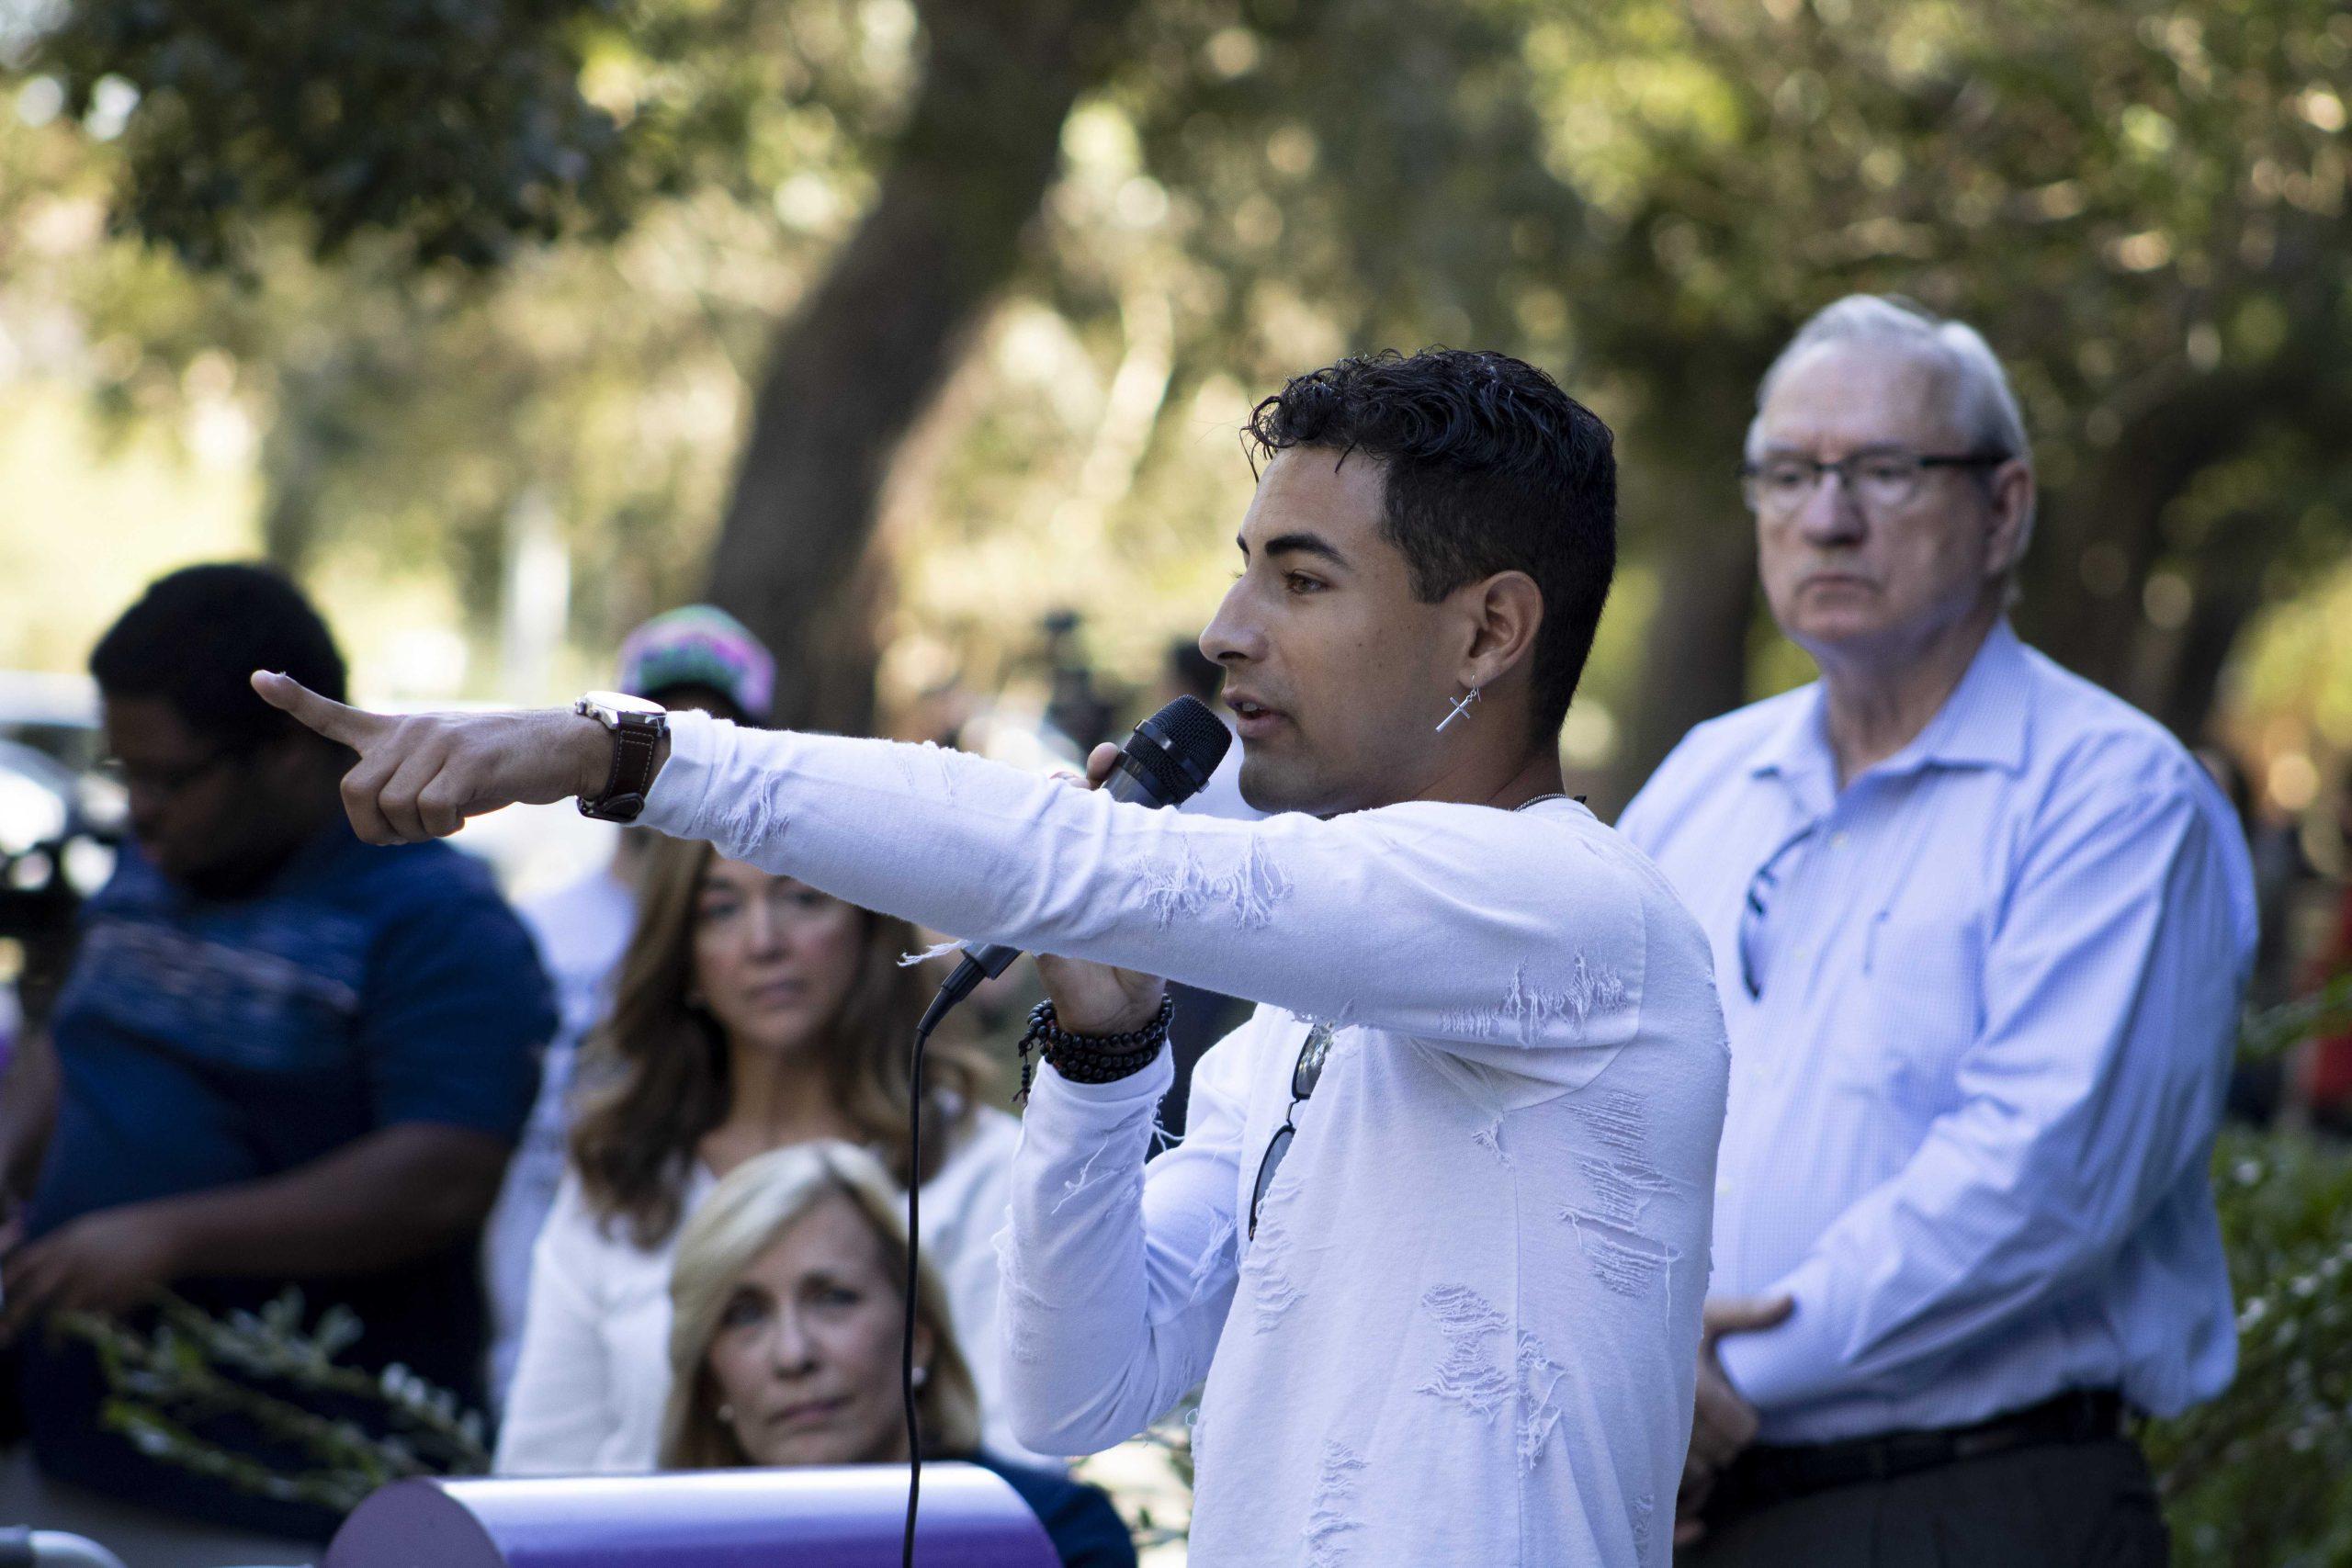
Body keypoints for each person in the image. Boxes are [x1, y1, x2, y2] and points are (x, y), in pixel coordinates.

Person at [254, 344, 1734, 1566]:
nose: (1224, 632)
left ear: (1489, 631)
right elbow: (1075, 1385)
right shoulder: (1305, 1015)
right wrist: (1098, 1058)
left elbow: (1065, 855)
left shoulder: (1568, 906)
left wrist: (609, 749)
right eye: (1244, 573)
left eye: (1300, 580)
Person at [1615, 296, 2257, 1565]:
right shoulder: (1702, 778)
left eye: (1886, 471)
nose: (1827, 515)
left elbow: (2039, 1180)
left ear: (2005, 507)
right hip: (1683, 1504)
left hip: (1969, 1503)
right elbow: (1590, 1084)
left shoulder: (2112, 794)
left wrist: (1706, 1377)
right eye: (1790, 473)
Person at [0, 564, 553, 1560]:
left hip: (289, 1492)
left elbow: (444, 1174)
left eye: (168, 779)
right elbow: (74, 1044)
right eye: (125, 775)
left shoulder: (435, 917)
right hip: (71, 1447)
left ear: (290, 756)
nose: (141, 813)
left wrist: (171, 1237)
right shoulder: (151, 865)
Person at [493, 833, 1023, 1472]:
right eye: (721, 909)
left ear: (869, 925)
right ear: (681, 953)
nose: (764, 942)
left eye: (801, 898)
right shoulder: (626, 1172)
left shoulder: (979, 1165)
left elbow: (1017, 1473)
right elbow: (542, 1474)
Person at [482, 604, 777, 1404]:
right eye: (658, 726)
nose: (683, 754)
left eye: (712, 733)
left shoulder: (771, 948)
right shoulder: (534, 930)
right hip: (522, 1316)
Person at [661, 1142, 1135, 1568]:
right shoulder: (651, 1546)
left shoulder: (1051, 1536)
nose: (793, 1355)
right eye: (746, 1315)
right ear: (709, 1379)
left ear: (919, 1336)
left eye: (834, 1298)